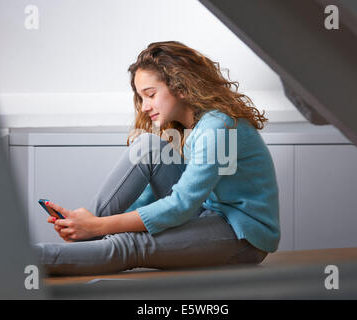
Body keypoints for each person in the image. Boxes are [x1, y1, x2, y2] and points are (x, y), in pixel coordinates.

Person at [35, 41, 280, 275]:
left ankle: (32, 257)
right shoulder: (186, 126)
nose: (144, 107)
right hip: (206, 214)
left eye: (150, 94)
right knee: (148, 146)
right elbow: (149, 198)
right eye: (141, 97)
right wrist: (94, 225)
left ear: (181, 87)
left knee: (130, 245)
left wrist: (101, 226)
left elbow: (181, 205)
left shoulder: (216, 127)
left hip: (243, 235)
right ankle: (87, 236)